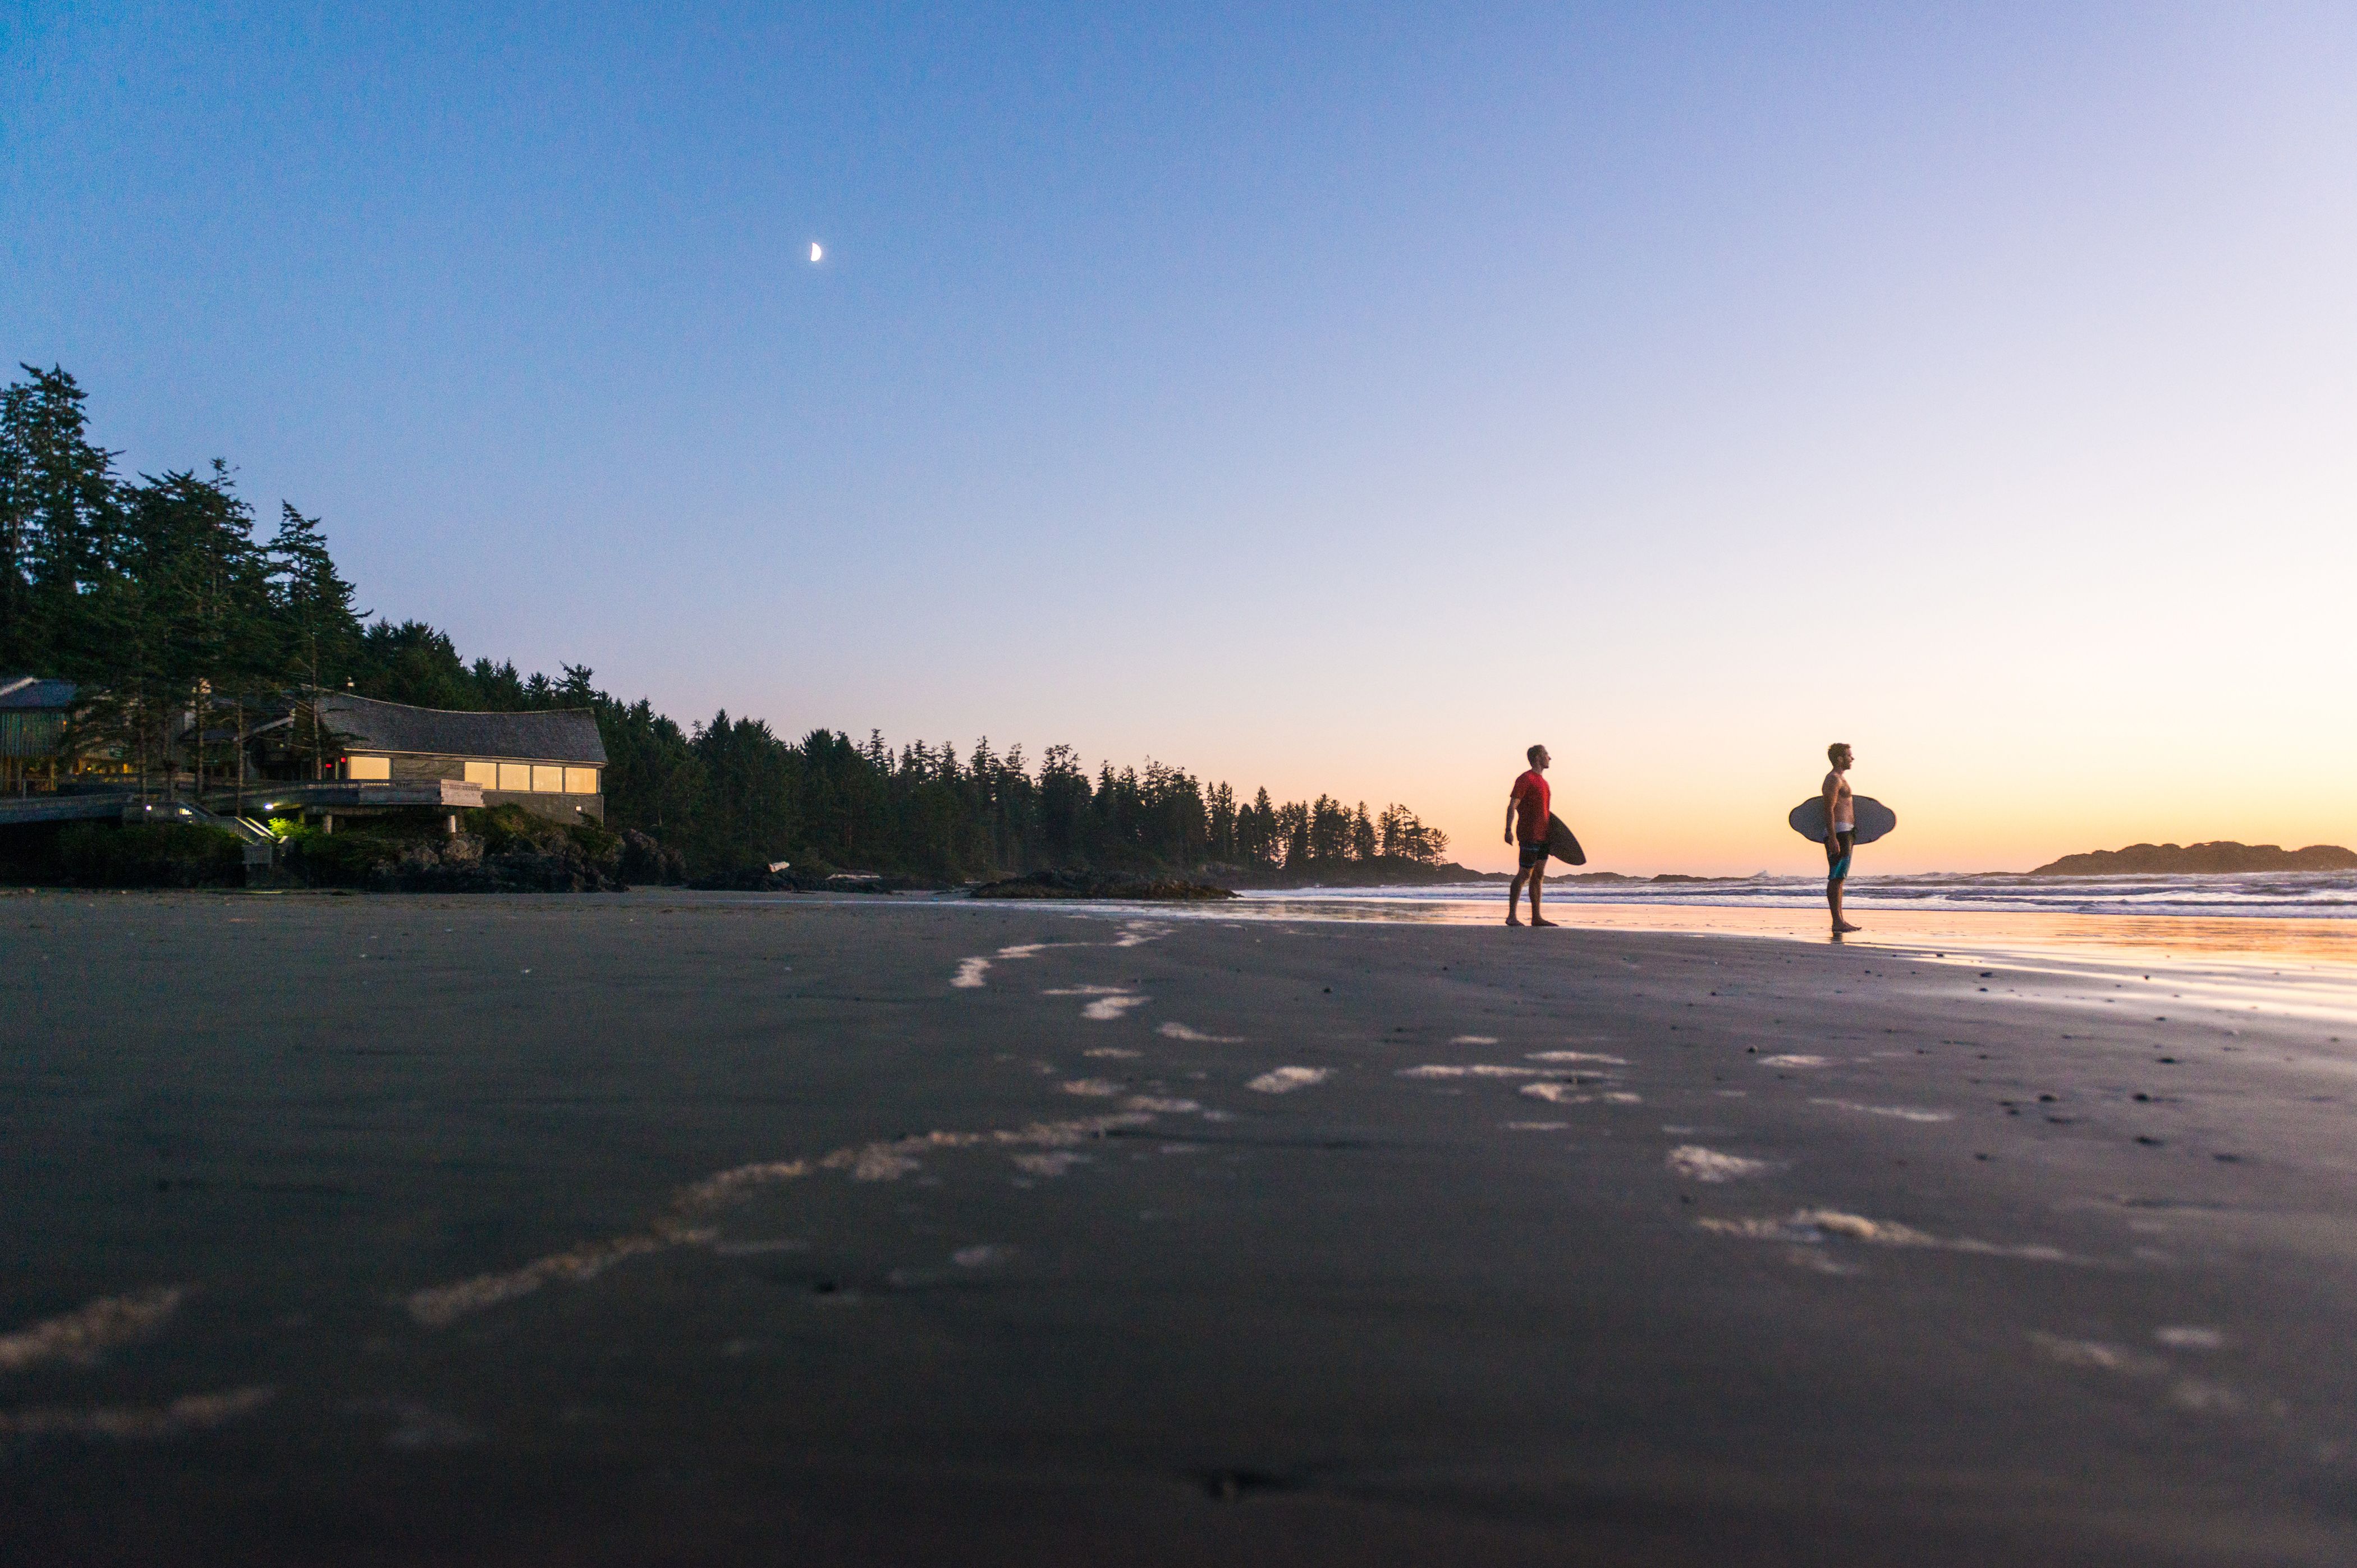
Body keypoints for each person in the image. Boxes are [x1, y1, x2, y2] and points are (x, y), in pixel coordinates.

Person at [1505, 744, 1556, 928]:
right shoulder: (1525, 779)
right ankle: (1512, 916)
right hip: (1529, 834)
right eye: (1547, 755)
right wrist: (1508, 830)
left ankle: (1537, 917)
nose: (1550, 758)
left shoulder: (1544, 783)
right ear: (1537, 758)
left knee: (1539, 875)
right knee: (1525, 873)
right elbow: (1513, 805)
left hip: (1544, 836)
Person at [1823, 742, 1861, 934]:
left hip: (1845, 831)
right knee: (1836, 877)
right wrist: (1833, 838)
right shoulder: (1833, 779)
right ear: (1839, 759)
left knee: (1840, 878)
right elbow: (1828, 809)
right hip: (1839, 832)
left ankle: (1840, 920)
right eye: (1848, 755)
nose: (1852, 758)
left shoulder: (1840, 779)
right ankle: (1837, 922)